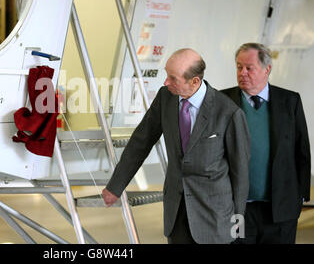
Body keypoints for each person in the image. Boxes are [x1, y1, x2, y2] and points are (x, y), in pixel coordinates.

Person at [102, 48, 250, 244]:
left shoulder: (229, 113)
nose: (165, 82)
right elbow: (141, 141)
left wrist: (237, 224)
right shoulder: (166, 98)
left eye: (173, 78)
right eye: (166, 75)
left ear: (195, 81)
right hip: (176, 211)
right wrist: (116, 186)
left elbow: (240, 172)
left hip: (215, 217)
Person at [222, 43, 311, 244]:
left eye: (249, 68)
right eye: (238, 67)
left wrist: (302, 194)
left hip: (280, 208)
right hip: (237, 209)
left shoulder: (290, 101)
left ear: (267, 69)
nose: (242, 73)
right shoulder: (222, 101)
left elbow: (301, 150)